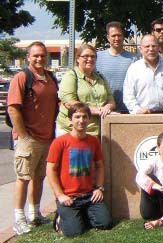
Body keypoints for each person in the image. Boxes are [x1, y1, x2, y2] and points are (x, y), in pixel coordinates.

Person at [7, 42, 58, 235]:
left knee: (39, 177)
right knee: (23, 177)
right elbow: (13, 107)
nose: (39, 59)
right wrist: (23, 136)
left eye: (42, 56)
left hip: (47, 137)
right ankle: (19, 218)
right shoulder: (22, 78)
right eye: (35, 56)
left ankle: (35, 213)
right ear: (28, 57)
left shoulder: (50, 78)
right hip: (28, 138)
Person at [46, 103, 112, 237]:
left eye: (84, 117)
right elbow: (50, 170)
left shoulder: (93, 141)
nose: (81, 121)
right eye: (77, 117)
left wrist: (99, 188)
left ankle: (79, 215)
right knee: (74, 232)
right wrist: (60, 195)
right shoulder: (60, 142)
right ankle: (61, 217)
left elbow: (100, 166)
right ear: (70, 120)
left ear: (89, 119)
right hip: (68, 197)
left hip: (89, 195)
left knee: (105, 223)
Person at [57, 44, 115, 137]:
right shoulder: (71, 76)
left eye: (93, 56)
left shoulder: (101, 78)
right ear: (77, 58)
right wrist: (97, 110)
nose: (90, 59)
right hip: (73, 132)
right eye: (85, 56)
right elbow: (69, 103)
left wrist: (107, 107)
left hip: (97, 132)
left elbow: (111, 100)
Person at [123, 35, 163, 114]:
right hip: (142, 116)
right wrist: (137, 110)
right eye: (147, 46)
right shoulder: (134, 69)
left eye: (154, 46)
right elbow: (128, 95)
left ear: (158, 48)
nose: (151, 49)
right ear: (141, 49)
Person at [96, 21, 137, 113]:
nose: (117, 38)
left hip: (128, 110)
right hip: (104, 110)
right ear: (108, 38)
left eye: (119, 35)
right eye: (113, 36)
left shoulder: (133, 58)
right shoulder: (98, 57)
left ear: (123, 37)